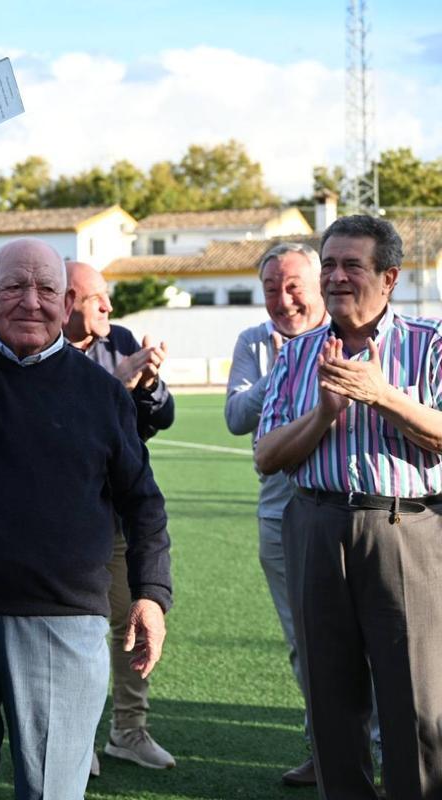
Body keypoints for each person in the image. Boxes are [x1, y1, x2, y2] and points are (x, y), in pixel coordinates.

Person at [0, 121, 171, 799]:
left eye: (48, 290)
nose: (32, 301)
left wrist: (152, 594)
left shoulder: (103, 394)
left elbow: (143, 502)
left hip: (62, 625)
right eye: (13, 287)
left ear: (67, 303)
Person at [255, 215, 442, 799]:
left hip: (404, 529)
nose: (335, 277)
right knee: (331, 699)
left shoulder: (429, 342)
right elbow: (267, 455)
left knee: (416, 706)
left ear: (389, 277)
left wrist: (380, 395)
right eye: (329, 265)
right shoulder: (296, 355)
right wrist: (324, 414)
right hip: (315, 523)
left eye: (351, 265)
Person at [225, 242, 353, 788]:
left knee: (371, 637)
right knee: (306, 641)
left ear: (319, 283)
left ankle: (377, 746)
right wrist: (279, 373)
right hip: (281, 517)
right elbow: (235, 416)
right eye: (271, 288)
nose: (284, 298)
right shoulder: (255, 343)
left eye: (293, 285)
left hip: (351, 511)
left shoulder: (352, 337)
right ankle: (325, 750)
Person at [62, 261, 175, 775]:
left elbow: (159, 417)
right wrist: (119, 381)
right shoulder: (38, 347)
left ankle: (128, 731)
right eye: (96, 298)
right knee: (70, 628)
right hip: (61, 518)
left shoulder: (121, 339)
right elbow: (61, 424)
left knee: (132, 622)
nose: (109, 307)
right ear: (67, 301)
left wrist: (149, 384)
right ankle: (75, 736)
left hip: (120, 509)